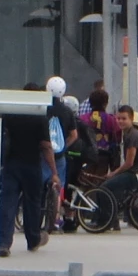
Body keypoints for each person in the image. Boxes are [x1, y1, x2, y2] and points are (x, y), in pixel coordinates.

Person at [0, 89, 54, 257]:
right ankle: (33, 239)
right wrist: (54, 170)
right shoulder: (39, 118)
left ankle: (3, 242)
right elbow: (46, 145)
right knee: (32, 203)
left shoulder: (11, 115)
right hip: (32, 165)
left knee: (8, 202)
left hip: (11, 164)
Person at [102, 104, 138, 225]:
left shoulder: (132, 136)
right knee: (114, 187)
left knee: (105, 187)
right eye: (118, 118)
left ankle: (107, 221)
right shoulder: (128, 134)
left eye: (124, 119)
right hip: (136, 172)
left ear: (131, 119)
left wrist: (113, 173)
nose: (120, 121)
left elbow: (129, 163)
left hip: (137, 173)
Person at [45, 76, 79, 232]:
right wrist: (63, 146)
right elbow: (74, 135)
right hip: (60, 155)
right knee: (59, 185)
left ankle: (41, 214)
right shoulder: (67, 111)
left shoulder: (43, 107)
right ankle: (56, 217)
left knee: (41, 183)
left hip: (44, 153)